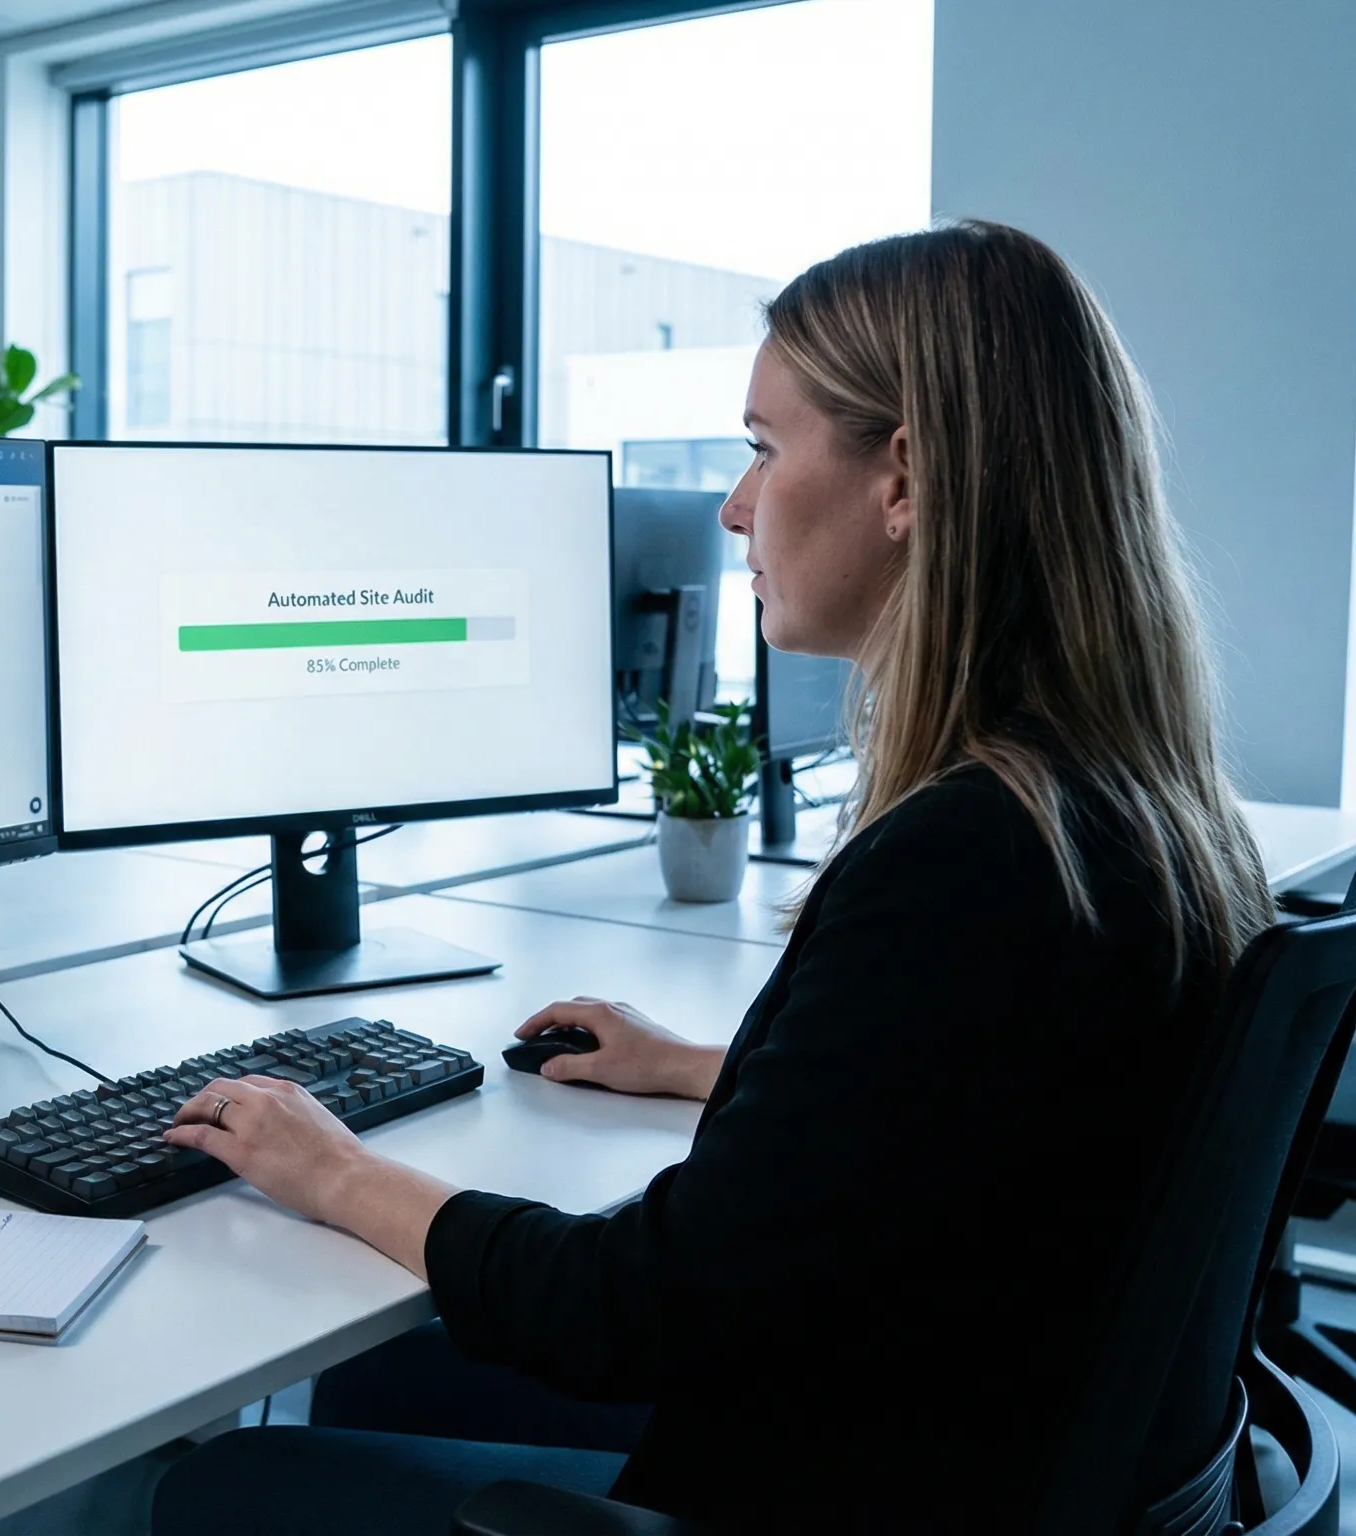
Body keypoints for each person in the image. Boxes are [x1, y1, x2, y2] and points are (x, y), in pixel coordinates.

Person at [147, 220, 1274, 1534]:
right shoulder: (1120, 806)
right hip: (975, 1434)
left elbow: (635, 1309)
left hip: (845, 1481)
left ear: (904, 478)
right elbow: (971, 1116)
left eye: (763, 449)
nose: (736, 507)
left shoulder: (970, 859)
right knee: (385, 1362)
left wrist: (336, 1171)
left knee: (224, 1485)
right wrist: (707, 1068)